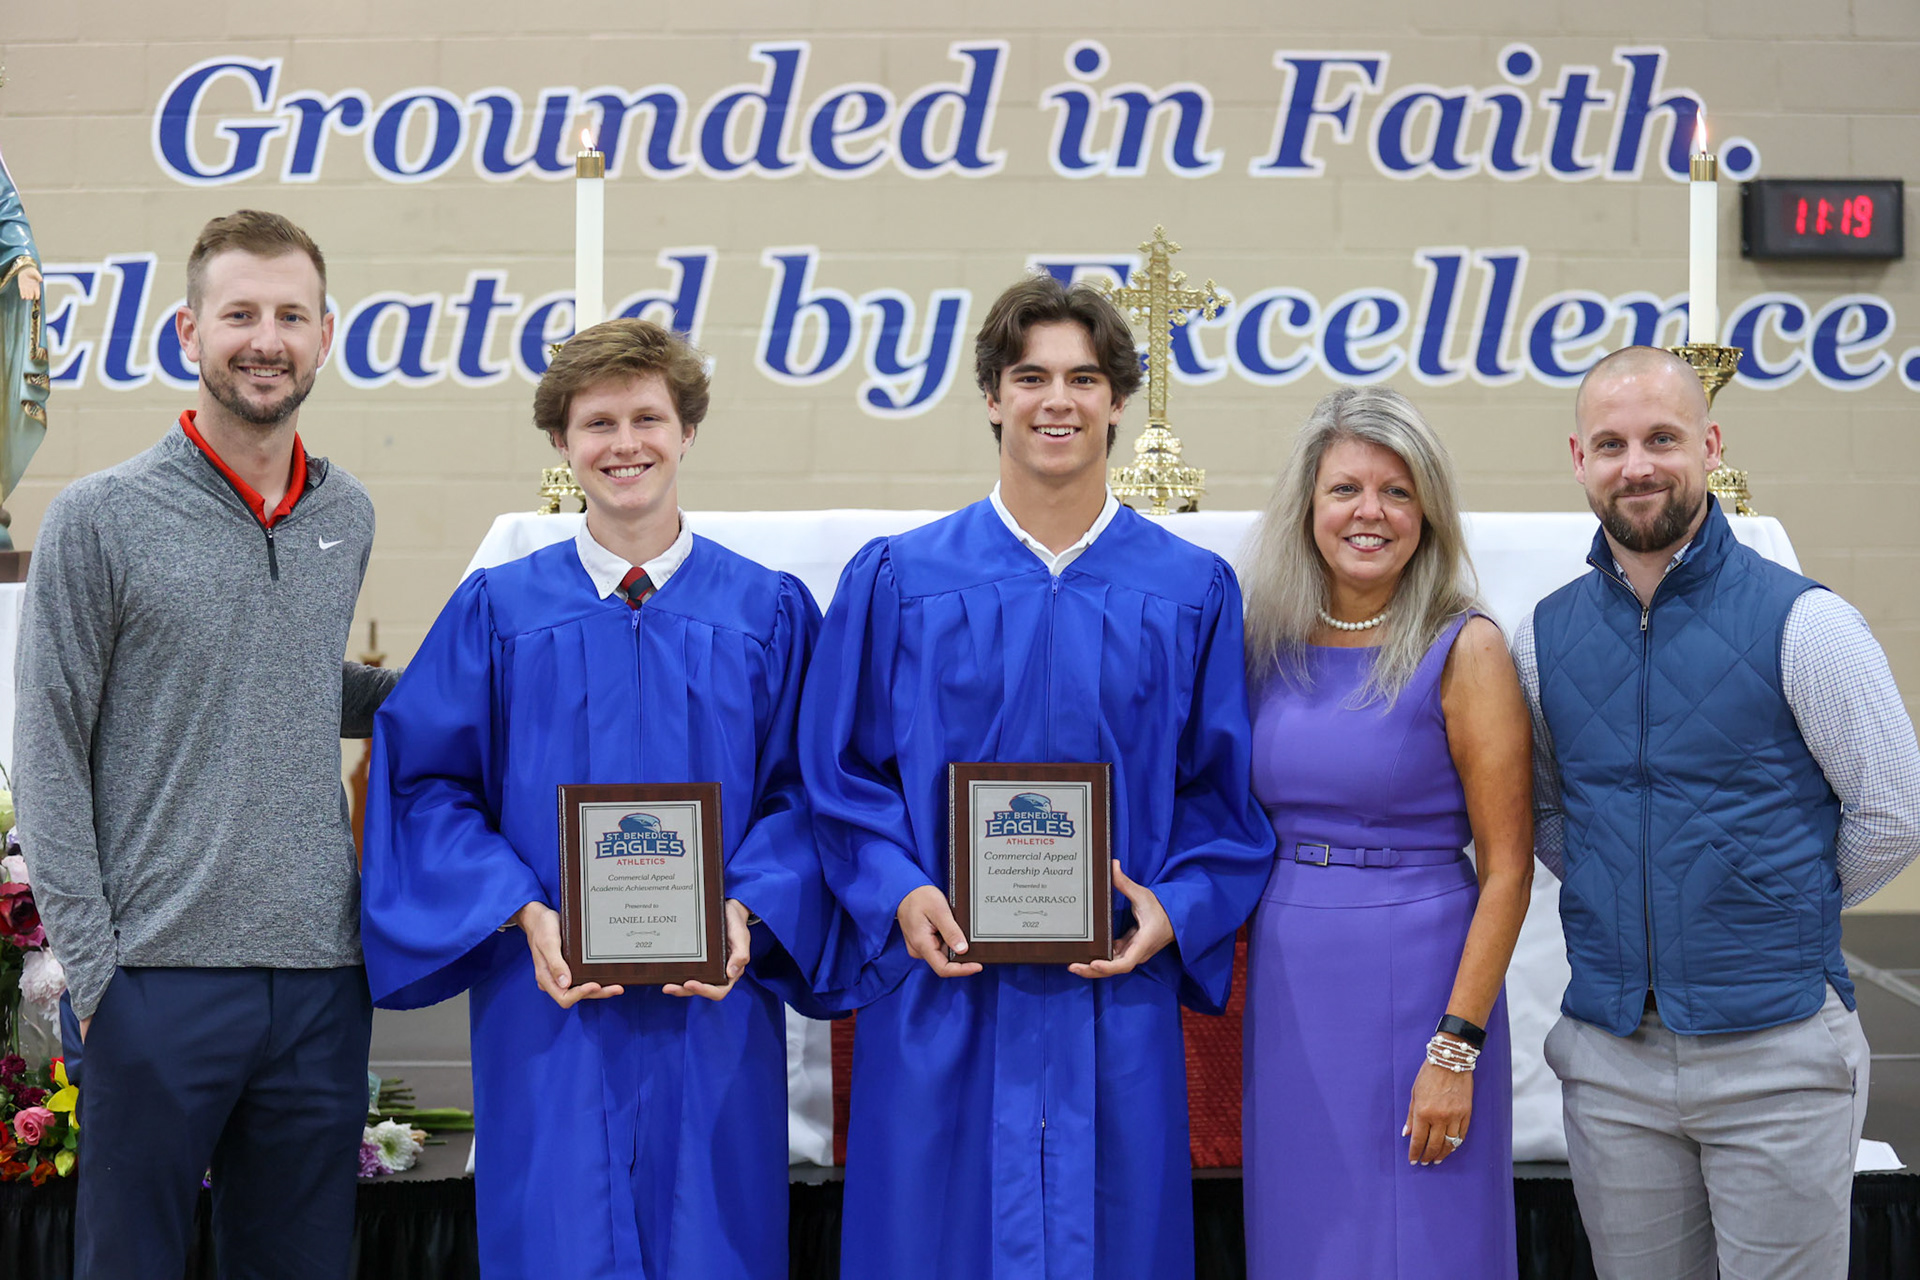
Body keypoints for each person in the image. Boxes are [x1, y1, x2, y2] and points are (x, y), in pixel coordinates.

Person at [800, 274, 1276, 1280]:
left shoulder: (1189, 591)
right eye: (1030, 376)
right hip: (947, 978)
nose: (1055, 399)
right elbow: (839, 773)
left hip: (1112, 987)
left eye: (1082, 377)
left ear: (1116, 400)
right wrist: (901, 889)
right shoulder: (901, 578)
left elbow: (1223, 796)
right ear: (990, 396)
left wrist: (1175, 907)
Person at [360, 317, 829, 1279]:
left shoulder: (767, 612)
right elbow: (426, 785)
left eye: (648, 418)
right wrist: (520, 909)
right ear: (563, 443)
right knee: (559, 1238)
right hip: (549, 1003)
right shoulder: (498, 612)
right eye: (598, 423)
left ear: (687, 430)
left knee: (715, 1238)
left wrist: (747, 908)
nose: (626, 445)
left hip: (715, 1002)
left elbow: (813, 793)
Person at [14, 209, 395, 1279]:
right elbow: (46, 750)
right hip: (156, 975)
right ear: (189, 330)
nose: (264, 338)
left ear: (327, 334)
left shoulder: (346, 512)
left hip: (320, 977)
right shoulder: (100, 517)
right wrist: (95, 974)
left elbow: (285, 682)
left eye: (289, 314)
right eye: (239, 314)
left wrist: (467, 689)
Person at [1518, 345, 1920, 1279]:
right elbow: (1546, 812)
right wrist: (1638, 891)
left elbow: (1894, 811)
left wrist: (1777, 903)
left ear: (1710, 442)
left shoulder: (1806, 624)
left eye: (1662, 437)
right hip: (1613, 1063)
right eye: (1611, 443)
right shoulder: (1545, 635)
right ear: (1579, 460)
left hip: (1777, 1053)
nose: (1639, 465)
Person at [1237, 386, 1532, 1278]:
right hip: (1291, 982)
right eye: (1346, 490)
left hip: (1422, 985)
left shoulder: (1465, 646)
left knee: (1426, 1237)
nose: (1370, 512)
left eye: (1398, 492)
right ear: (1308, 507)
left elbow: (1510, 867)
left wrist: (1456, 1046)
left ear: (1428, 513)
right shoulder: (1265, 642)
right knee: (1304, 1237)